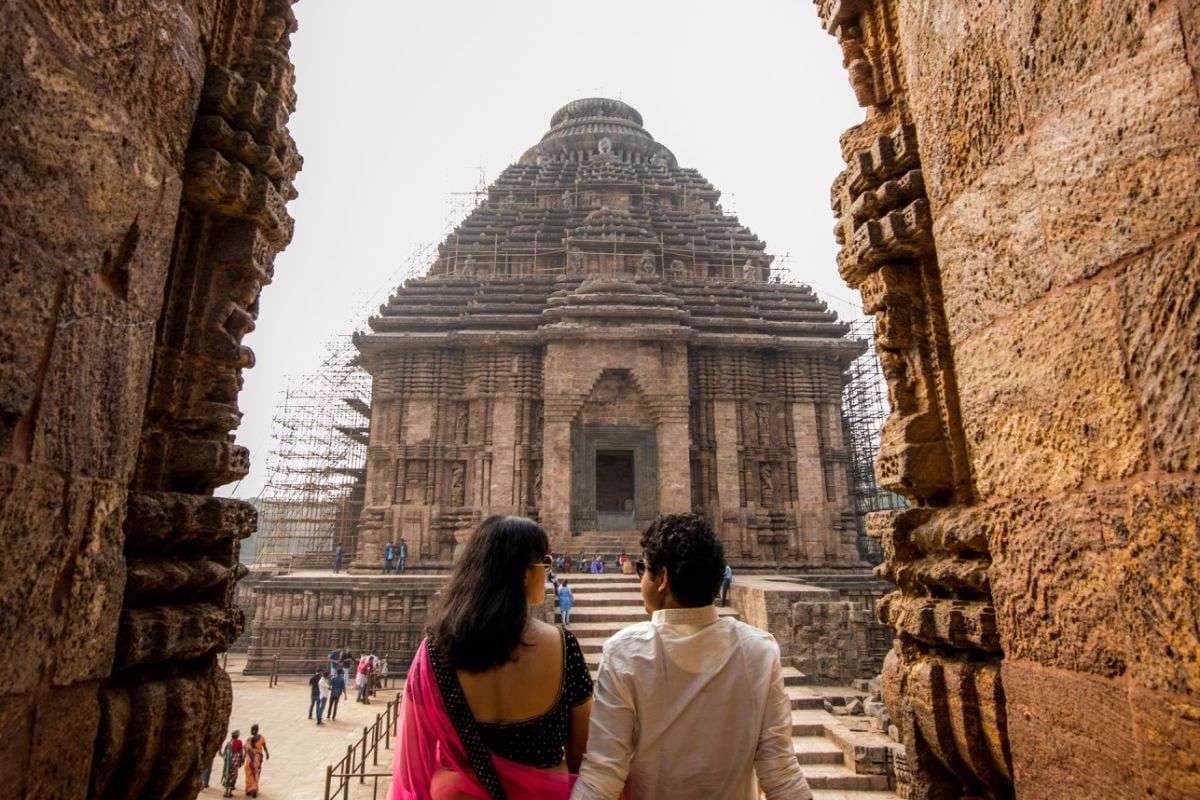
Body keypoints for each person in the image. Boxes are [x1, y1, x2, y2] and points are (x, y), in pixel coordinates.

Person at [570, 513, 812, 800]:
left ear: (662, 578)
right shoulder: (759, 651)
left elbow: (603, 775)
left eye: (642, 569)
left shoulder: (624, 654)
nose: (640, 579)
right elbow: (781, 774)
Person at [390, 515, 593, 800]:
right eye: (544, 563)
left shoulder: (435, 651)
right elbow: (582, 753)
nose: (548, 571)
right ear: (525, 574)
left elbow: (412, 763)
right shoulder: (564, 646)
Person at [243, 723, 269, 798]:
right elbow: (264, 747)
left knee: (249, 773)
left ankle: (248, 789)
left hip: (249, 760)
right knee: (256, 773)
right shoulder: (261, 738)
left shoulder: (249, 740)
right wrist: (267, 754)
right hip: (257, 759)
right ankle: (254, 788)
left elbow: (246, 750)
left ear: (253, 730)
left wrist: (242, 759)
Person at [220, 729, 244, 797]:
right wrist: (241, 760)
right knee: (234, 775)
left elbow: (224, 754)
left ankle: (226, 791)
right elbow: (241, 752)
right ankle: (230, 792)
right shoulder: (239, 742)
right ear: (237, 736)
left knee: (228, 775)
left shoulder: (228, 743)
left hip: (229, 763)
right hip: (235, 761)